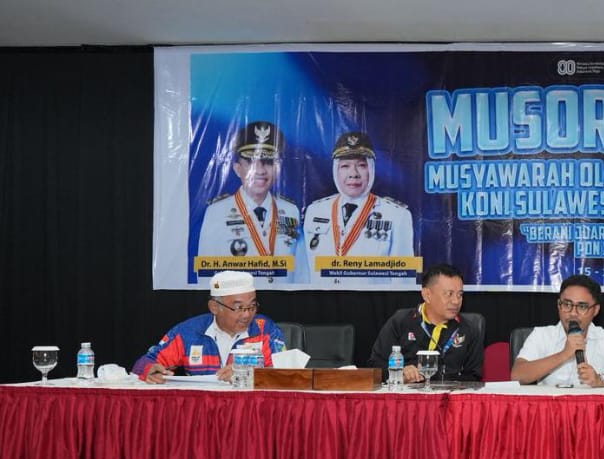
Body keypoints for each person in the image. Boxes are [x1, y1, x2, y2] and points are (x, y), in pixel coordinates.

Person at [298, 131, 415, 286]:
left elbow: (403, 283)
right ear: (336, 170)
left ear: (371, 169)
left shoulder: (397, 215)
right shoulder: (315, 211)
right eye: (345, 166)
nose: (353, 174)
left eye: (361, 165)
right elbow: (304, 275)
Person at [132, 270, 287, 383]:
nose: (247, 315)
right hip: (202, 411)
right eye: (239, 308)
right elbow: (145, 363)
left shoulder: (266, 330)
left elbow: (286, 375)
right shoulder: (188, 332)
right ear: (214, 307)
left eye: (252, 306)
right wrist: (149, 371)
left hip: (249, 410)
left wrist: (248, 374)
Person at [196, 121, 301, 281]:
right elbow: (206, 275)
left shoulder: (291, 211)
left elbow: (300, 273)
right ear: (237, 169)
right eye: (251, 162)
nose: (260, 171)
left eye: (268, 162)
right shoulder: (217, 212)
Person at [511, 274, 604, 388]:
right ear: (559, 305)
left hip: (592, 408)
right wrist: (564, 354)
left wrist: (600, 380)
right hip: (551, 407)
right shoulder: (541, 335)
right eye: (567, 304)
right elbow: (517, 375)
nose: (573, 313)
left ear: (595, 310)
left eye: (582, 306)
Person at [367, 263, 483, 382]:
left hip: (450, 392)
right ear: (427, 295)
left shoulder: (469, 329)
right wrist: (400, 373)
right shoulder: (401, 321)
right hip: (408, 392)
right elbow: (375, 366)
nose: (456, 301)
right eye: (449, 294)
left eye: (460, 295)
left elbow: (475, 377)